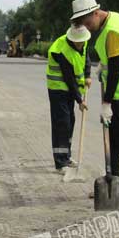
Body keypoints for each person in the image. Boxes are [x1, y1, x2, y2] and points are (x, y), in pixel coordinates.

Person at [71, 0, 119, 207]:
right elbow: (112, 62)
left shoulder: (111, 32)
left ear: (96, 13)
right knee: (113, 137)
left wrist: (107, 103)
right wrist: (102, 65)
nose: (88, 28)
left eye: (88, 23)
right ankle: (111, 182)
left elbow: (115, 71)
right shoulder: (115, 18)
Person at [46, 25, 92, 172]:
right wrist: (80, 100)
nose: (81, 44)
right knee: (62, 123)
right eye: (78, 42)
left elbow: (86, 59)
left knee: (70, 121)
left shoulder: (83, 42)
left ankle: (66, 156)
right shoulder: (62, 50)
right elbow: (69, 78)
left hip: (70, 90)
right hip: (58, 88)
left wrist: (88, 75)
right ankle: (60, 163)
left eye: (82, 42)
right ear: (72, 39)